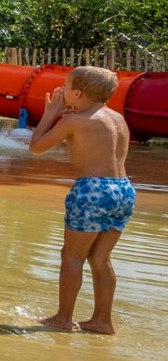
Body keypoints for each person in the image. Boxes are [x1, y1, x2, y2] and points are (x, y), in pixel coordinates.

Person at [29, 66, 134, 335]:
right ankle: (103, 321)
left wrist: (51, 114)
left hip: (92, 190)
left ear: (77, 92)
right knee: (100, 258)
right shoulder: (117, 119)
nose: (61, 92)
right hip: (123, 189)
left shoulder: (75, 121)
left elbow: (37, 147)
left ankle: (63, 318)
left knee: (71, 255)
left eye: (65, 87)